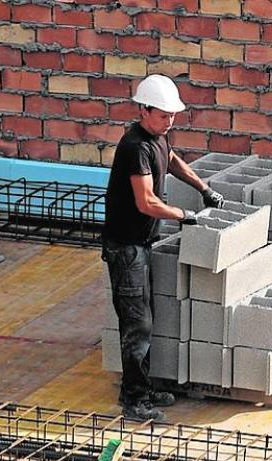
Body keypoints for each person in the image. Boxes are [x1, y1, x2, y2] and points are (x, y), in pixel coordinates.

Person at [102, 73, 226, 422]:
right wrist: (184, 215)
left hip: (141, 244)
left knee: (145, 318)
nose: (169, 121)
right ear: (144, 110)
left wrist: (203, 188)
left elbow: (172, 160)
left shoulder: (157, 139)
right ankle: (134, 400)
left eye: (173, 115)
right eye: (162, 115)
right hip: (126, 248)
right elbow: (146, 202)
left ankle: (144, 386)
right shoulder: (135, 147)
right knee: (136, 325)